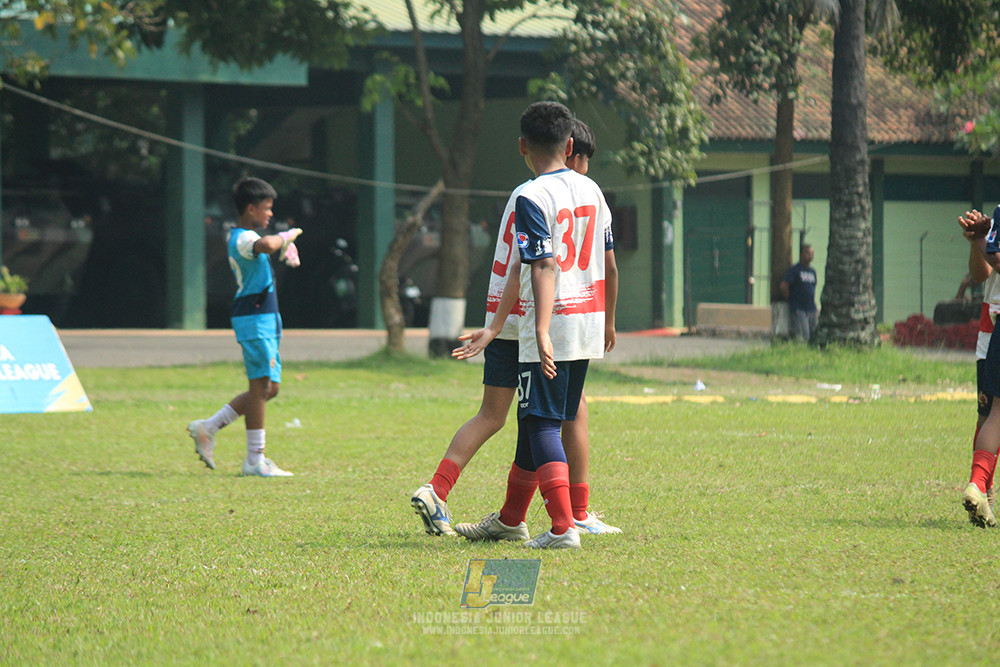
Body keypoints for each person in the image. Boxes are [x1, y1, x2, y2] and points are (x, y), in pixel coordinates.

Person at [410, 117, 621, 538]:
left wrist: (496, 325)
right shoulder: (584, 191)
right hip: (541, 321)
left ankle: (504, 516)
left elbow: (524, 266)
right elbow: (545, 266)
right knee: (545, 418)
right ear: (570, 147)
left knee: (515, 417)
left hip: (527, 318)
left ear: (522, 145)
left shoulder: (530, 193)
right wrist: (596, 322)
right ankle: (568, 518)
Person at [186, 176, 301, 477]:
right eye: (267, 208)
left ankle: (208, 427)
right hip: (254, 318)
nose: (270, 214)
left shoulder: (247, 237)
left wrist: (285, 245)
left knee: (269, 389)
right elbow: (266, 244)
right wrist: (286, 237)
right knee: (260, 386)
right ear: (250, 209)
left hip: (264, 317)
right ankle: (254, 460)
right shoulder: (242, 238)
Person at [960, 206, 1000, 526]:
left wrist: (985, 240)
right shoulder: (996, 217)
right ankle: (983, 488)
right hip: (991, 330)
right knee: (988, 414)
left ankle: (983, 488)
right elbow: (981, 274)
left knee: (993, 416)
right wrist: (979, 243)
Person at [779, 244, 818, 341]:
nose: (809, 256)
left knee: (814, 336)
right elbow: (784, 286)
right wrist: (791, 299)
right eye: (807, 253)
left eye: (811, 254)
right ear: (801, 254)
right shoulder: (795, 270)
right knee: (803, 336)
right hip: (799, 309)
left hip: (811, 308)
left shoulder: (812, 272)